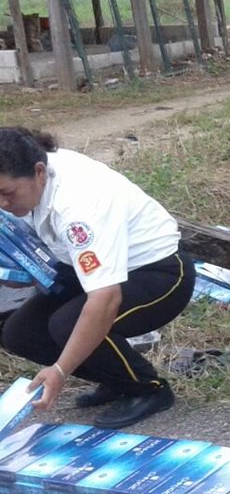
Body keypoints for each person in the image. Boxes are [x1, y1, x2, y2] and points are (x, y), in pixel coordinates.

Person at [0, 127, 196, 428]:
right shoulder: (31, 175)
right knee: (19, 333)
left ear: (39, 172)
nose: (3, 204)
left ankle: (148, 389)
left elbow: (105, 300)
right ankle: (116, 379)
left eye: (7, 194)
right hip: (90, 269)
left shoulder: (79, 205)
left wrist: (61, 370)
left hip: (159, 273)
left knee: (68, 324)